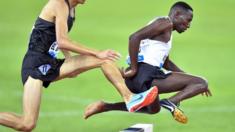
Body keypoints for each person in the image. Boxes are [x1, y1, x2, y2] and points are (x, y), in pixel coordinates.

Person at [0, 0, 158, 131]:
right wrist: (96, 52)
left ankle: (129, 97)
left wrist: (69, 61)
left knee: (105, 59)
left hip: (51, 62)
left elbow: (58, 38)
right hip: (35, 64)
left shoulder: (72, 9)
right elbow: (62, 40)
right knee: (27, 124)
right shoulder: (59, 3)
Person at [84, 1, 212, 124]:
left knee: (153, 109)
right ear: (177, 14)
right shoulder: (165, 23)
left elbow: (167, 64)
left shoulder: (164, 31)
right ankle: (171, 102)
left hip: (136, 79)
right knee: (202, 82)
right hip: (144, 75)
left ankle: (105, 107)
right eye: (188, 20)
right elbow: (134, 37)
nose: (188, 25)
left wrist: (190, 81)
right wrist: (134, 68)